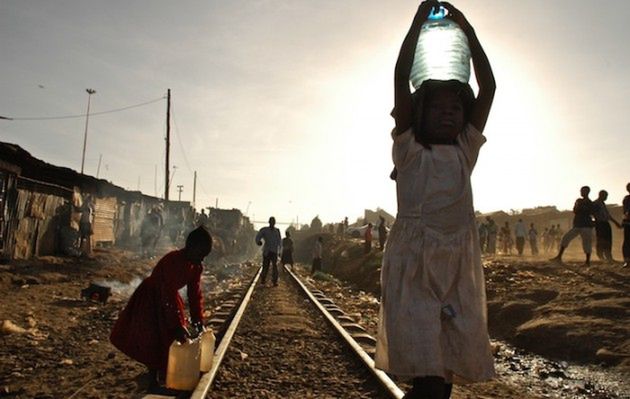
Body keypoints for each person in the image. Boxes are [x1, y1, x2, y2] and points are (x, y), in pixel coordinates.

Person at [375, 1, 496, 397]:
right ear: (418, 112)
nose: (449, 114)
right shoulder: (409, 150)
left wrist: (467, 29)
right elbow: (399, 75)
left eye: (456, 107)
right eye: (439, 107)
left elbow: (489, 87)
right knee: (428, 381)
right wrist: (416, 20)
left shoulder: (464, 151)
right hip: (414, 271)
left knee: (442, 381)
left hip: (457, 272)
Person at [110, 227, 212, 390]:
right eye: (200, 255)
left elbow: (195, 294)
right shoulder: (173, 260)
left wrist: (198, 320)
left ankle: (165, 372)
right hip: (151, 298)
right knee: (154, 337)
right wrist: (178, 324)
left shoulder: (196, 267)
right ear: (190, 247)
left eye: (204, 257)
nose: (201, 260)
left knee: (169, 337)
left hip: (168, 299)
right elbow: (166, 292)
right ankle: (152, 380)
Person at [551, 186, 595, 266]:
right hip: (578, 224)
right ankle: (559, 257)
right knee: (565, 238)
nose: (581, 192)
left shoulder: (590, 203)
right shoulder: (579, 201)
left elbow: (590, 212)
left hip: (586, 225)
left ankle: (587, 261)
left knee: (586, 243)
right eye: (581, 191)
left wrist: (582, 209)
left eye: (583, 191)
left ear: (587, 192)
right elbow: (575, 210)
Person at [592, 190, 621, 263]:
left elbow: (608, 215)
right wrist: (595, 221)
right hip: (600, 223)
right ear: (601, 195)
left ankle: (608, 256)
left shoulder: (602, 203)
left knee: (608, 240)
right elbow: (593, 213)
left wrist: (615, 222)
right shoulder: (596, 203)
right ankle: (601, 256)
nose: (606, 197)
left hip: (605, 223)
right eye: (605, 196)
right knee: (601, 240)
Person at [255, 217, 282, 286]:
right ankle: (263, 280)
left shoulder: (277, 231)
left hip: (274, 251)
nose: (272, 223)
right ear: (269, 222)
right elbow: (258, 236)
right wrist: (258, 242)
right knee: (265, 266)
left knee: (274, 266)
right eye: (271, 222)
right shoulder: (265, 230)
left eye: (273, 222)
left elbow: (279, 242)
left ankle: (274, 281)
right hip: (267, 251)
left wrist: (280, 251)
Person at [622, 183, 630, 268]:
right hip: (628, 222)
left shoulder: (626, 199)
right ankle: (627, 260)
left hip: (627, 221)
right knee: (627, 242)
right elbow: (625, 211)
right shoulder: (627, 199)